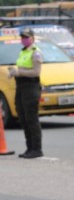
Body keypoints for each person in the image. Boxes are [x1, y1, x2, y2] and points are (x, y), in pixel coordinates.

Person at [7, 28, 43, 159]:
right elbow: (22, 68)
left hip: (31, 86)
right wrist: (14, 72)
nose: (24, 39)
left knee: (31, 118)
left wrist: (19, 72)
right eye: (22, 37)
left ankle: (37, 149)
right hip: (21, 86)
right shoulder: (23, 52)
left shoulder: (35, 52)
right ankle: (29, 148)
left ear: (32, 38)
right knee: (22, 117)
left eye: (26, 37)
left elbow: (36, 72)